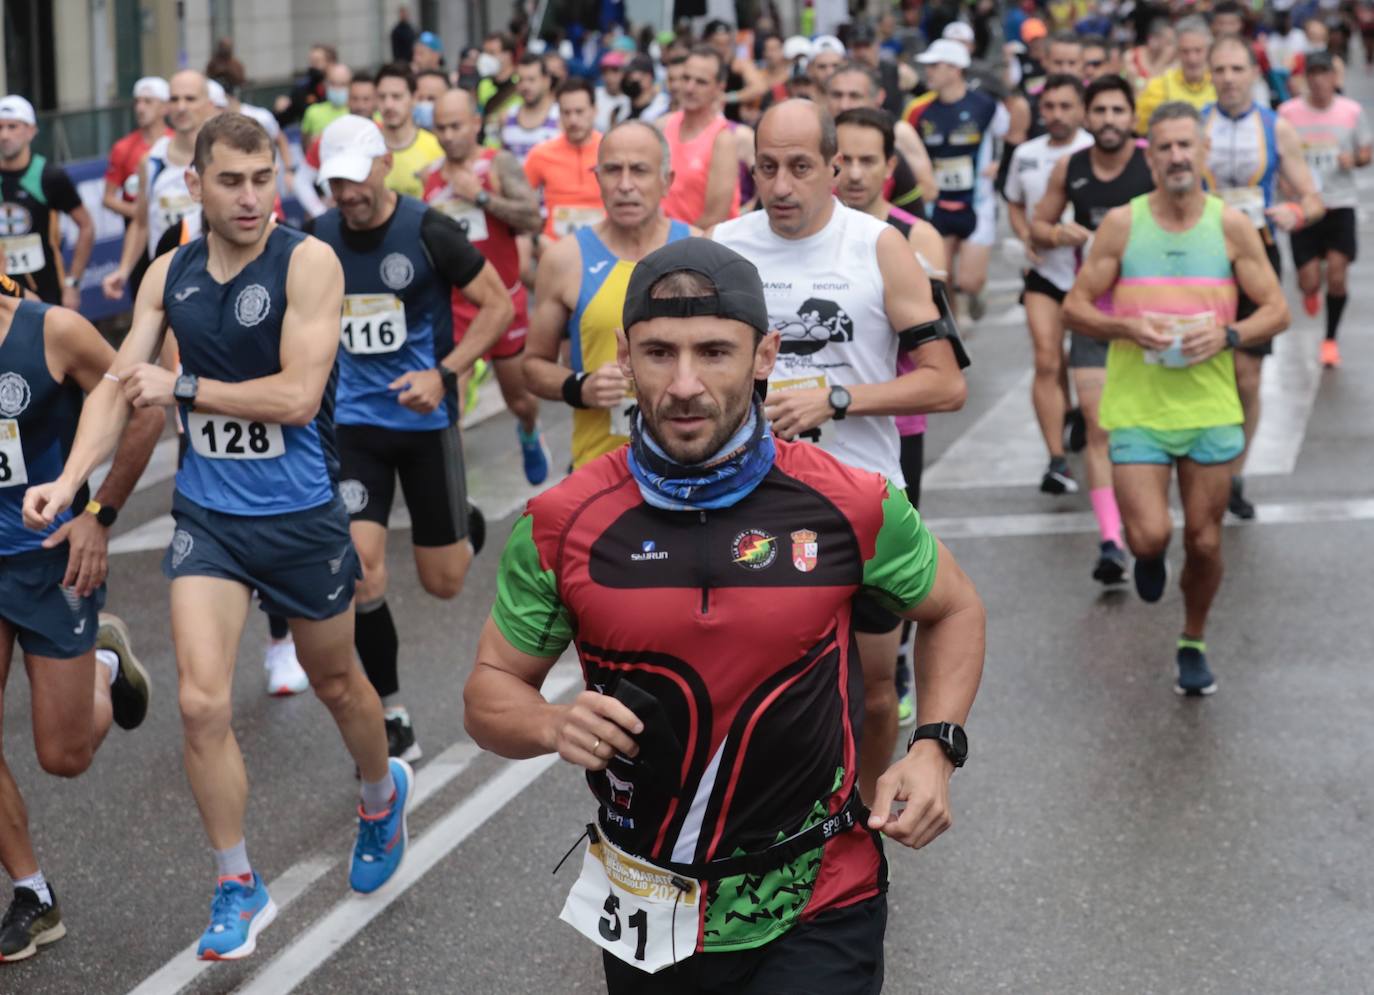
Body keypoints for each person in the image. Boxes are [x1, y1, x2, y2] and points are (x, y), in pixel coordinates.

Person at [463, 236, 985, 993]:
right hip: (651, 903)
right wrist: (550, 723)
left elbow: (956, 606)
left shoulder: (849, 501)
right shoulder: (563, 520)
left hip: (819, 893)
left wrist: (935, 745)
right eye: (659, 353)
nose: (684, 384)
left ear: (765, 355)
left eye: (714, 352)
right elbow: (489, 691)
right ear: (623, 354)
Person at [24, 112, 415, 959]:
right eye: (230, 181)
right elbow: (123, 386)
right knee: (201, 702)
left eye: (262, 178)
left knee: (339, 681)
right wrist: (70, 483)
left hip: (302, 515)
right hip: (211, 518)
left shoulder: (306, 262)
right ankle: (237, 881)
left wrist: (184, 386)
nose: (250, 197)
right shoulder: (171, 271)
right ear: (193, 185)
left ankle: (382, 794)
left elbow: (297, 397)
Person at [712, 99, 968, 786]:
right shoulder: (723, 246)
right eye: (768, 168)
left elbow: (946, 385)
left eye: (800, 167)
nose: (783, 185)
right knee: (760, 682)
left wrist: (841, 398)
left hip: (863, 501)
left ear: (833, 167)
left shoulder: (880, 245)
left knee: (876, 686)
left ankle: (859, 814)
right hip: (752, 500)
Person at [1063, 101, 1289, 696]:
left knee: (1207, 540)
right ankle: (1148, 557)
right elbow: (1076, 306)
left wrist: (1230, 333)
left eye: (1186, 145)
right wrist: (1126, 328)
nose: (1177, 157)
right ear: (1151, 155)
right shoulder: (1122, 223)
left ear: (1204, 152)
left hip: (1210, 407)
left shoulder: (1231, 225)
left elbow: (1277, 309)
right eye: (1164, 147)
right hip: (1139, 406)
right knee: (1150, 537)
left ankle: (1192, 638)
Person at [310, 114, 509, 762]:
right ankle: (392, 710)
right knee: (363, 572)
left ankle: (461, 524)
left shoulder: (428, 229)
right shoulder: (315, 239)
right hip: (354, 430)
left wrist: (444, 372)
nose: (346, 194)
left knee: (445, 582)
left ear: (380, 166)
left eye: (354, 179)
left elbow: (498, 304)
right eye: (333, 183)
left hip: (424, 424)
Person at [0, 293, 162, 961]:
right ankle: (33, 891)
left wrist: (99, 511)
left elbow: (145, 411)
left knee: (63, 756)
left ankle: (105, 663)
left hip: (45, 560)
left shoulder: (52, 331)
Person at [834, 105, 962, 724]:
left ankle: (897, 659)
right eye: (843, 160)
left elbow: (945, 350)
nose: (854, 174)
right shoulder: (810, 239)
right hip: (814, 432)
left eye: (867, 161)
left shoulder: (914, 237)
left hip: (894, 424)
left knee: (890, 569)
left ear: (890, 166)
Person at [1032, 74, 1155, 585]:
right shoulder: (1072, 167)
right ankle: (1111, 541)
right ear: (1088, 117)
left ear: (1132, 116)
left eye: (1117, 111)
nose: (1108, 120)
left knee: (1146, 432)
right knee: (1101, 430)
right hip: (1093, 312)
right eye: (1099, 111)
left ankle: (1149, 531)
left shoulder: (1154, 160)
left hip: (1152, 314)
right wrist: (1059, 231)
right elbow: (1039, 224)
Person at [1201, 35, 1323, 520]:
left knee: (1247, 377)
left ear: (1254, 73)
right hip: (1203, 261)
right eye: (1220, 70)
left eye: (1237, 69)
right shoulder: (1195, 126)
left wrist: (1295, 211)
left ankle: (1235, 473)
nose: (1229, 78)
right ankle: (1205, 464)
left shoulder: (1277, 128)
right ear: (1210, 75)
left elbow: (1313, 199)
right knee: (1208, 368)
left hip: (1257, 256)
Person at [523, 121, 692, 468]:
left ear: (667, 181)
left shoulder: (702, 250)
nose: (625, 185)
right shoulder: (564, 259)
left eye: (640, 170)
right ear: (597, 178)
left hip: (690, 467)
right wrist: (580, 387)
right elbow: (533, 365)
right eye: (613, 170)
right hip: (600, 468)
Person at [427, 89, 550, 484]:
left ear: (476, 124)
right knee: (451, 409)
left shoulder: (498, 164)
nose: (448, 135)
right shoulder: (428, 178)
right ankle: (455, 497)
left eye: (456, 125)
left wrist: (480, 197)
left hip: (504, 301)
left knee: (521, 400)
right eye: (441, 127)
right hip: (455, 307)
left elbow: (531, 218)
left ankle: (529, 434)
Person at [1005, 75, 1095, 500]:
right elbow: (1015, 202)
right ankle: (1056, 459)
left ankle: (1081, 415)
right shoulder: (1025, 154)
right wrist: (1027, 236)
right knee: (1046, 358)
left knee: (1083, 364)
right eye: (1050, 107)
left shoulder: (1096, 149)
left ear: (1081, 110)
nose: (1057, 115)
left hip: (1093, 276)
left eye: (1066, 106)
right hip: (1046, 273)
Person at [1279, 51, 1371, 367]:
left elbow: (1366, 151)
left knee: (1337, 275)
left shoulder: (1351, 111)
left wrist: (1355, 160)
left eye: (1324, 73)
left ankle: (1330, 339)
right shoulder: (1288, 113)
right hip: (1304, 205)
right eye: (1312, 73)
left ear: (1334, 77)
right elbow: (1277, 156)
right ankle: (1308, 289)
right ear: (1305, 78)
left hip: (1340, 202)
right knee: (1308, 281)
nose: (1318, 80)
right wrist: (1287, 185)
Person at [102, 70, 216, 303]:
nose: (181, 107)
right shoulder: (151, 160)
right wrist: (123, 270)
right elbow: (141, 222)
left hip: (214, 280)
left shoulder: (223, 156)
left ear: (209, 104)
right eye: (174, 99)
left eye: (190, 99)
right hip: (168, 282)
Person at [915, 40, 1009, 320]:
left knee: (968, 281)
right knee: (939, 282)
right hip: (939, 204)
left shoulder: (985, 106)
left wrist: (1000, 164)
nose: (927, 71)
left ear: (956, 69)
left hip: (976, 203)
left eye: (935, 65)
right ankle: (954, 341)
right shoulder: (922, 111)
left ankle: (977, 291)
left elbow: (1012, 134)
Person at [0, 97, 94, 309]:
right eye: (0, 127)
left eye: (12, 127)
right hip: (3, 295)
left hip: (46, 293)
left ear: (31, 131)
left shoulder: (50, 176)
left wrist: (72, 283)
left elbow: (86, 226)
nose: (4, 135)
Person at [826, 62, 937, 213]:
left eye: (854, 96)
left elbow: (929, 190)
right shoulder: (818, 134)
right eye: (837, 95)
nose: (844, 105)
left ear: (879, 97)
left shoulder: (899, 132)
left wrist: (875, 208)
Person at [658, 47, 741, 229]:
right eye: (686, 78)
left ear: (719, 87)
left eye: (701, 82)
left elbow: (715, 217)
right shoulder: (663, 126)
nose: (689, 88)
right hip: (659, 245)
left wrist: (673, 248)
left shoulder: (722, 140)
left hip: (700, 248)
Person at [524, 77, 604, 240]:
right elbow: (518, 199)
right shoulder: (541, 153)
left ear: (594, 111)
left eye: (579, 111)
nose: (573, 120)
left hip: (604, 244)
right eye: (566, 112)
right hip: (555, 246)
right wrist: (535, 239)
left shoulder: (610, 150)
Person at [103, 77, 170, 224]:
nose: (140, 108)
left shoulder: (177, 142)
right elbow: (108, 198)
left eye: (148, 101)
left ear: (165, 107)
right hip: (137, 229)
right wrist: (140, 212)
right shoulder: (122, 148)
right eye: (137, 102)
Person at [1135, 18, 1215, 134]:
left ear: (1208, 51)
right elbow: (1141, 129)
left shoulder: (1221, 83)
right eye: (1185, 51)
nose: (1192, 59)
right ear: (1177, 52)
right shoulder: (1159, 86)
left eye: (1198, 51)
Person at [375, 63, 444, 198]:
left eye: (396, 96)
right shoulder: (366, 148)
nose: (388, 105)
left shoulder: (436, 147)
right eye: (382, 97)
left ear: (414, 98)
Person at [501, 53, 560, 161]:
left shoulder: (560, 116)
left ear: (547, 81)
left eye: (531, 80)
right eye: (521, 80)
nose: (525, 86)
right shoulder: (507, 116)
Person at [479, 33, 521, 144]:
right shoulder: (483, 84)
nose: (486, 58)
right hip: (489, 151)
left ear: (507, 55)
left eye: (492, 53)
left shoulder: (522, 82)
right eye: (485, 53)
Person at [301, 63, 353, 145]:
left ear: (351, 85)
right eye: (333, 83)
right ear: (326, 84)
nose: (337, 89)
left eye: (342, 84)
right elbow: (306, 146)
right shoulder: (313, 111)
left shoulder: (359, 112)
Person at [1125, 19, 1175, 95]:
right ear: (1153, 39)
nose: (1171, 48)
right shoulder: (1132, 56)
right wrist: (1161, 62)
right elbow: (1140, 87)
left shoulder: (1173, 63)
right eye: (1168, 42)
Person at [623, 53, 671, 123]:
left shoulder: (663, 105)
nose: (629, 79)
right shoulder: (624, 105)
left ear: (648, 77)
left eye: (631, 74)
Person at [594, 51, 633, 133]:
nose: (610, 77)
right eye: (605, 72)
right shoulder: (594, 95)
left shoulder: (632, 100)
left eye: (615, 71)